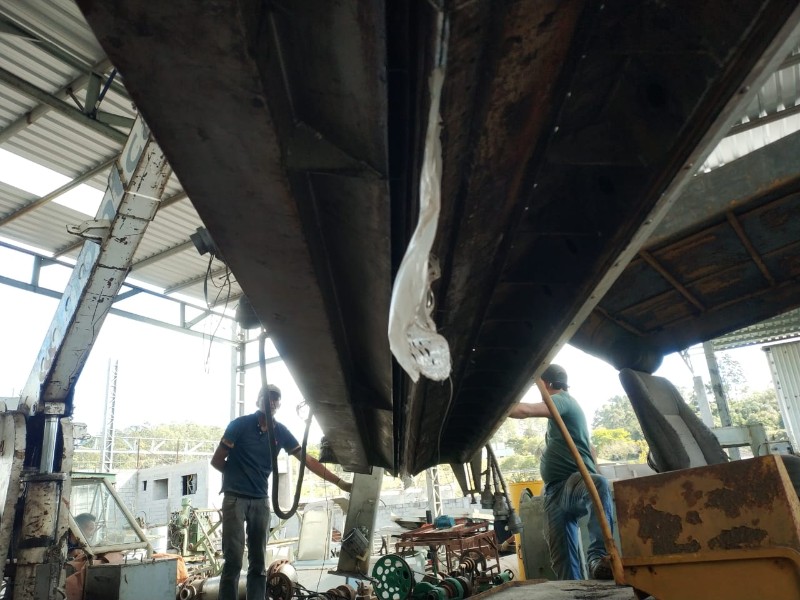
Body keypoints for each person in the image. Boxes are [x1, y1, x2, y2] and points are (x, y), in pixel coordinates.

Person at [211, 384, 352, 600]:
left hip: (260, 501)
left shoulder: (281, 432)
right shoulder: (239, 425)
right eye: (267, 397)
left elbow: (308, 460)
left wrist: (340, 482)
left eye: (276, 398)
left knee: (258, 562)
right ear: (258, 401)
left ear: (279, 404)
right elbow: (217, 461)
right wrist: (238, 476)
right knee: (234, 560)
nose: (272, 401)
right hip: (235, 499)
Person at [508, 364, 614, 581]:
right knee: (562, 560)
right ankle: (573, 591)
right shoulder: (565, 411)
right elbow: (590, 447)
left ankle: (597, 557)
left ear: (545, 384)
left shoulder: (561, 400)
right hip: (554, 492)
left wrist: (493, 408)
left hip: (571, 484)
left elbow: (524, 411)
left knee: (599, 484)